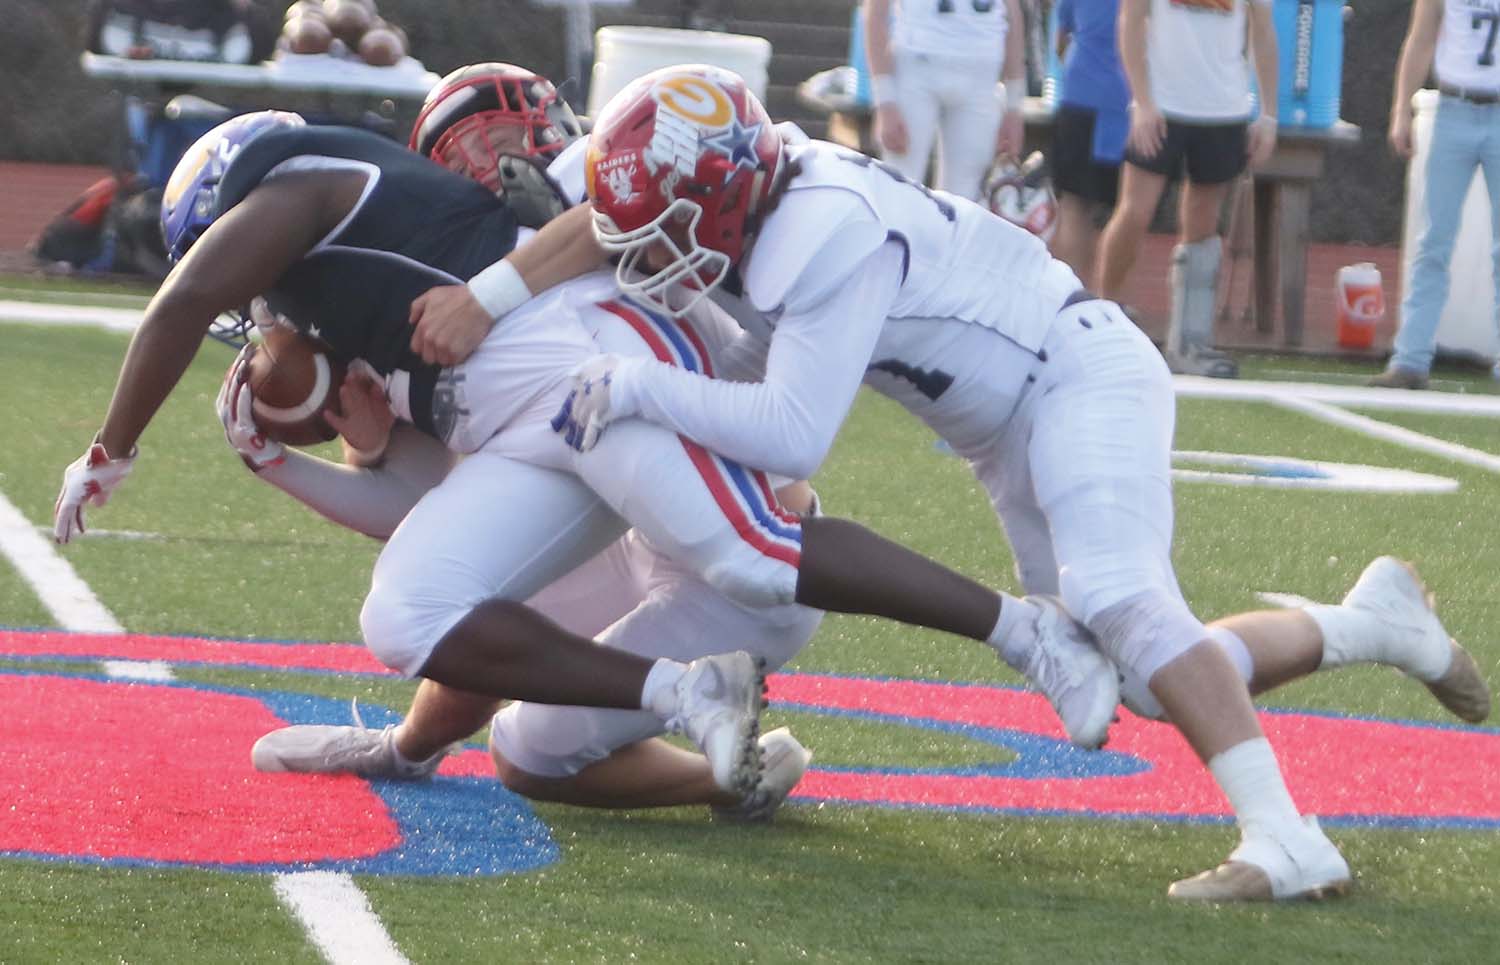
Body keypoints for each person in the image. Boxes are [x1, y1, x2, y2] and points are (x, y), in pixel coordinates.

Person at [545, 64, 1489, 900]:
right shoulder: (773, 195)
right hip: (1010, 421)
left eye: (667, 227)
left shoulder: (826, 223)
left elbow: (793, 435)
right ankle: (1378, 622)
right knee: (1149, 677)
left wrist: (638, 384)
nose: (653, 253)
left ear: (724, 192)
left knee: (1116, 598)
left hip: (1074, 372)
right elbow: (756, 366)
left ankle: (1289, 841)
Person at [51, 100, 1120, 801]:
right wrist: (282, 463)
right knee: (408, 612)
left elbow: (187, 296)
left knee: (749, 551)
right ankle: (683, 698)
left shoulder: (308, 189)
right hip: (519, 419)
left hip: (578, 355)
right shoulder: (370, 304)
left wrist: (109, 449)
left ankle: (1030, 634)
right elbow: (427, 509)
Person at [225, 309, 821, 818]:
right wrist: (373, 439)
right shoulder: (440, 275)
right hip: (632, 516)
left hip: (738, 564)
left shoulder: (499, 281)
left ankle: (727, 775)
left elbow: (422, 489)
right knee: (476, 604)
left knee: (524, 753)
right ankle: (407, 750)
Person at [1094, 0, 1280, 378]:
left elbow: (1262, 32)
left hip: (1223, 110)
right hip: (1163, 107)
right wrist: (1142, 101)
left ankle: (1189, 342)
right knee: (1134, 211)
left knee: (1202, 224)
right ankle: (1102, 321)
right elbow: (1131, 20)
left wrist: (1269, 115)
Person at [1372, 0, 1500, 390]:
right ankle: (1410, 359)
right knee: (1433, 242)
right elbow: (1422, 35)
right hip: (1453, 106)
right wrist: (1401, 109)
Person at [862, 0, 1027, 201]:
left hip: (981, 77)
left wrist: (1014, 106)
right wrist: (885, 99)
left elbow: (1012, 17)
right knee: (899, 187)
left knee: (964, 201)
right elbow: (875, 12)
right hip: (916, 69)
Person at [1046, 0, 1129, 288]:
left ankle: (1070, 297)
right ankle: (1108, 302)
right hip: (1127, 101)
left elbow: (1061, 39)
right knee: (1129, 208)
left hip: (1083, 94)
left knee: (1074, 204)